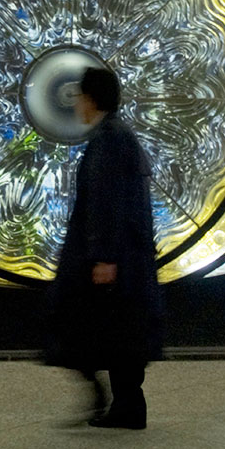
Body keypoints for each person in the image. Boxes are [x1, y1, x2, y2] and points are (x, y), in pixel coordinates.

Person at [46, 66, 163, 429]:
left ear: (91, 98)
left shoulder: (107, 141)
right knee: (120, 330)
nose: (77, 103)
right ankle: (126, 405)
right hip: (128, 256)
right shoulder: (120, 136)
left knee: (84, 324)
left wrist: (103, 256)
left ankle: (120, 404)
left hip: (110, 256)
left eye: (80, 95)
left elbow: (105, 203)